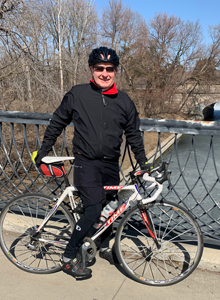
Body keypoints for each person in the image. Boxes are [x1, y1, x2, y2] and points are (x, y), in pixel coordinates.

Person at [31, 46, 151, 278]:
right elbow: (57, 123)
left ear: (115, 71)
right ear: (91, 69)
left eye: (109, 69)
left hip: (110, 164)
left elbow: (134, 135)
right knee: (94, 208)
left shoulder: (124, 101)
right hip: (86, 163)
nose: (104, 73)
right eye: (99, 68)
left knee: (109, 208)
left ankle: (103, 246)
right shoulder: (78, 94)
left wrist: (143, 163)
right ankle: (68, 256)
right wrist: (43, 151)